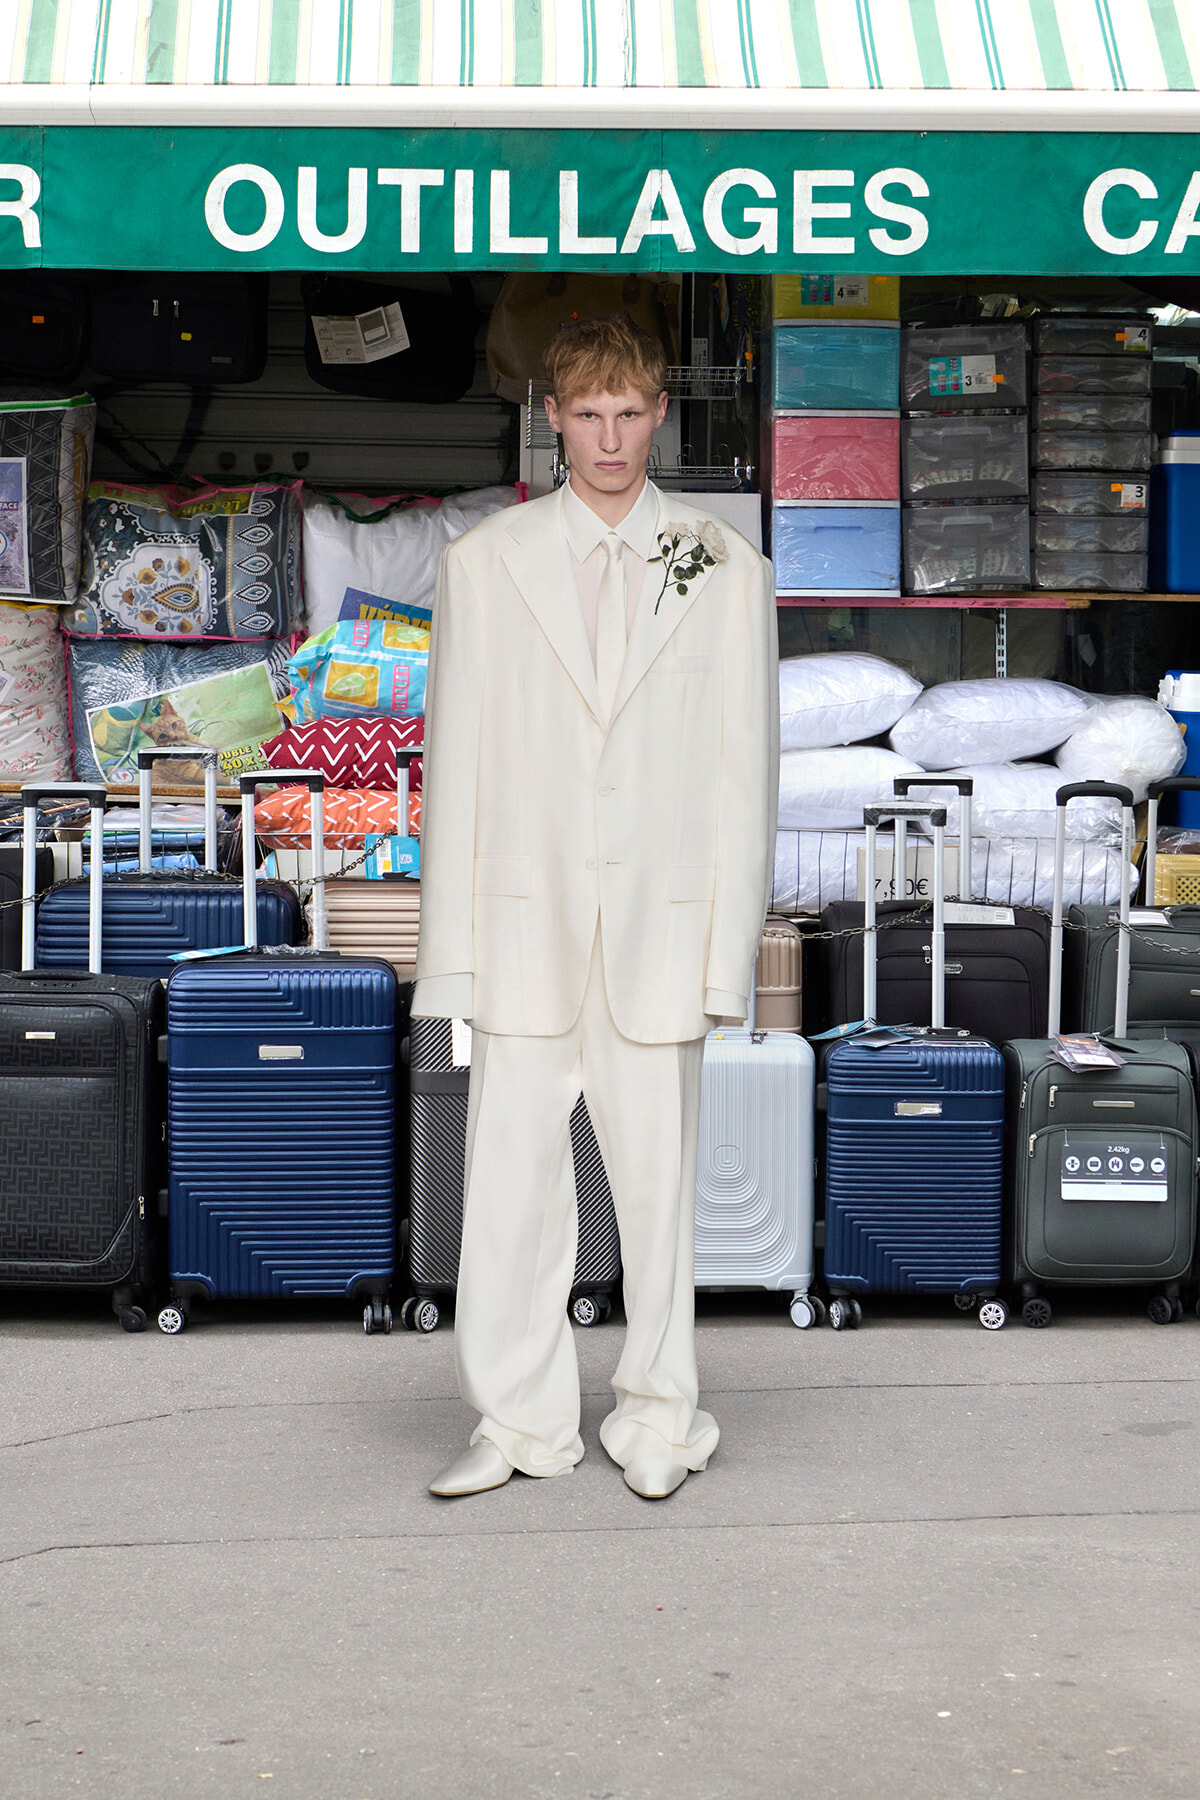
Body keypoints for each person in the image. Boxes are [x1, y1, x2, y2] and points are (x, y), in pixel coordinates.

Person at [412, 312, 778, 1500]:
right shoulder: (487, 563)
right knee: (510, 1191)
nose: (611, 438)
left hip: (663, 935)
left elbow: (744, 776)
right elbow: (454, 769)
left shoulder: (718, 566)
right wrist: (448, 959)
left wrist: (728, 957)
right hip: (525, 927)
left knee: (663, 1200)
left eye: (630, 413)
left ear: (660, 412)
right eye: (588, 414)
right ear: (553, 418)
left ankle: (659, 1416)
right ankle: (519, 1423)